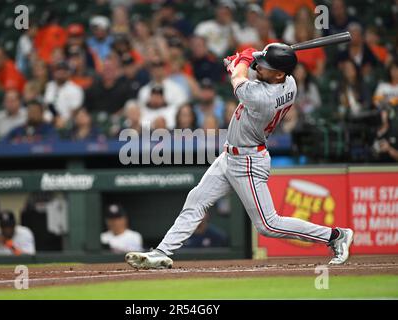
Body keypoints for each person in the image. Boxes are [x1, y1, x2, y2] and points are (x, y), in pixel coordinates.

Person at [125, 43, 354, 269]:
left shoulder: (262, 98)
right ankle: (162, 252)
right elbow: (251, 70)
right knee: (196, 200)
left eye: (265, 67)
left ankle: (335, 236)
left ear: (279, 74)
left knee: (268, 225)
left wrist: (241, 61)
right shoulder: (289, 82)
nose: (259, 67)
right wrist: (246, 60)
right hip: (230, 155)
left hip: (248, 160)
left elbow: (239, 80)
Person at [44, 60, 84, 128]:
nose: (61, 73)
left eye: (64, 70)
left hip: (67, 124)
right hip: (47, 123)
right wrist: (55, 118)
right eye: (58, 70)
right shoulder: (49, 86)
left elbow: (75, 111)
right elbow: (47, 105)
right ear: (54, 73)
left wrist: (61, 121)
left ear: (68, 73)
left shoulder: (75, 89)